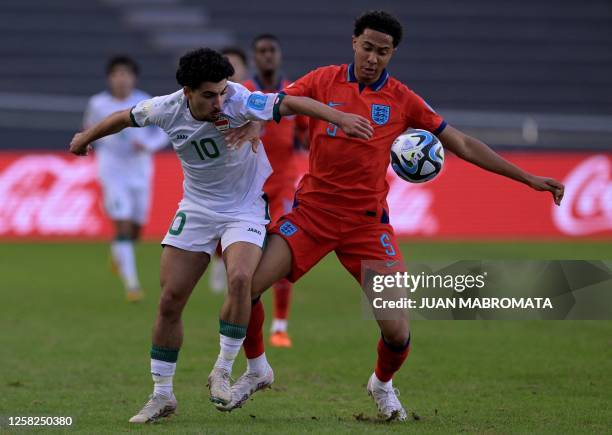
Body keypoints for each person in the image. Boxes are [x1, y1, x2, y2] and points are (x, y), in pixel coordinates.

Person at [220, 11, 565, 420]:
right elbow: (280, 104)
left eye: (382, 52)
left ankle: (381, 385)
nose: (372, 58)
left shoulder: (402, 99)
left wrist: (527, 178)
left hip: (367, 225)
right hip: (312, 215)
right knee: (247, 287)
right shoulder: (324, 80)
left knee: (397, 332)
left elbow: (464, 145)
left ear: (392, 54)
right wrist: (259, 125)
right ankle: (257, 368)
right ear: (354, 43)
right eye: (367, 48)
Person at [69, 47, 373, 424]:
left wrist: (340, 117)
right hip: (196, 209)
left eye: (223, 91)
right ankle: (162, 395)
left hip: (244, 208)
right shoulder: (164, 108)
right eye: (209, 95)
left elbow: (294, 103)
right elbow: (122, 118)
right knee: (170, 300)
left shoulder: (241, 100)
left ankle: (224, 370)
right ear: (187, 92)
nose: (220, 101)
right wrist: (85, 137)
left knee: (242, 278)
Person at [83, 55, 168, 302]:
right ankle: (132, 285)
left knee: (136, 229)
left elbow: (161, 132)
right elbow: (90, 129)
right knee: (121, 223)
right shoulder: (98, 104)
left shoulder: (144, 101)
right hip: (112, 171)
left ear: (134, 78)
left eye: (126, 74)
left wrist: (149, 145)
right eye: (117, 74)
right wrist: (89, 143)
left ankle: (118, 252)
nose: (121, 79)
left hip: (140, 172)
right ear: (110, 78)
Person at [243, 34, 308, 348]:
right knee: (245, 263)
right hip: (247, 189)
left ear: (279, 56)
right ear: (254, 58)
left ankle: (280, 326)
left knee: (282, 254)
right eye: (261, 51)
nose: (267, 56)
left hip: (282, 186)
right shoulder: (242, 93)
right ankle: (244, 323)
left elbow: (308, 138)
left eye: (271, 50)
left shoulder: (293, 94)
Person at [207, 48, 250, 294]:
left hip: (253, 178)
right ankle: (219, 263)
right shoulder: (209, 100)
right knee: (219, 228)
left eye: (236, 65)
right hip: (218, 176)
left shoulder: (252, 98)